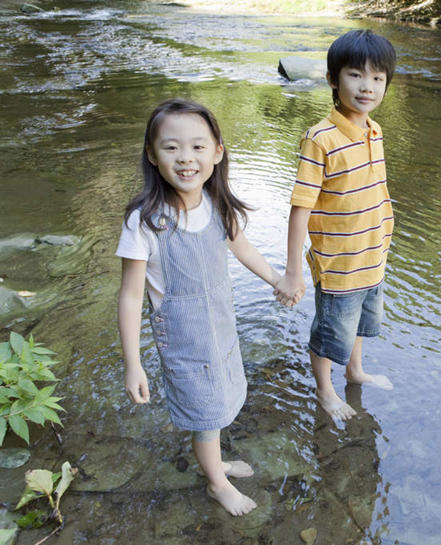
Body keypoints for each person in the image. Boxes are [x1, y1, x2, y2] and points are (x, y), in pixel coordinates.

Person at [117, 98, 281, 516]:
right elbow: (132, 296)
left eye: (197, 146)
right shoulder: (146, 221)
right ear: (152, 155)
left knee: (221, 399)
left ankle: (214, 459)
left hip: (220, 330)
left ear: (217, 151)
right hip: (185, 342)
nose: (185, 158)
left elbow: (242, 248)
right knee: (205, 413)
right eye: (171, 148)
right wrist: (132, 363)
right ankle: (216, 482)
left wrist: (278, 280)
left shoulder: (215, 202)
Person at [275, 29, 397, 421]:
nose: (368, 87)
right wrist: (294, 271)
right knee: (331, 332)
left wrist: (384, 236)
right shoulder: (320, 138)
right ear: (332, 79)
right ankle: (325, 391)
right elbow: (301, 208)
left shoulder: (373, 130)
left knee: (361, 320)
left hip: (371, 255)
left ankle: (355, 371)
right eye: (356, 75)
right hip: (339, 263)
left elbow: (374, 190)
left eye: (378, 78)